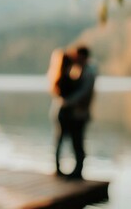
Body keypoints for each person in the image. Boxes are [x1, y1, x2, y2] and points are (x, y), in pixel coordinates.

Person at [48, 45, 97, 180]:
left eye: (78, 58)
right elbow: (80, 94)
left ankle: (74, 171)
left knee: (72, 142)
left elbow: (83, 93)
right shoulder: (71, 73)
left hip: (76, 113)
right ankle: (73, 171)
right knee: (73, 142)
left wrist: (68, 102)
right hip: (69, 113)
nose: (77, 60)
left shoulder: (86, 72)